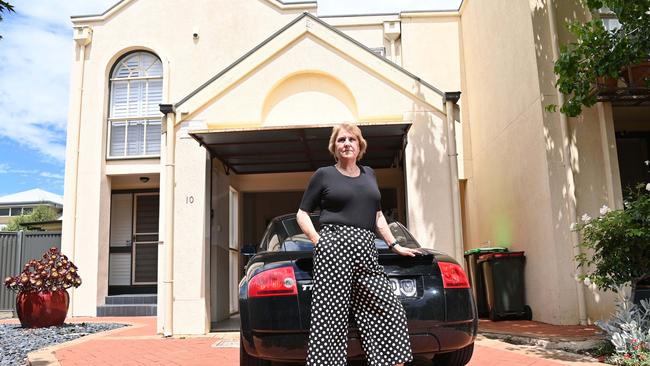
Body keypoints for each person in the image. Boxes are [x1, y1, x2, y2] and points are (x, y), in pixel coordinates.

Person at [296, 122, 420, 366]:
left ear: (360, 145)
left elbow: (378, 216)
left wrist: (395, 244)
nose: (346, 144)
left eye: (351, 139)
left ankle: (390, 361)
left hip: (365, 250)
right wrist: (319, 241)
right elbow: (302, 213)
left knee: (390, 308)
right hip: (333, 249)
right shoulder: (324, 174)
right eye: (341, 140)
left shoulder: (369, 174)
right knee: (330, 316)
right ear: (334, 146)